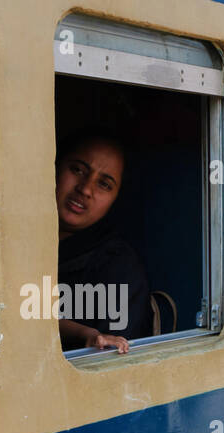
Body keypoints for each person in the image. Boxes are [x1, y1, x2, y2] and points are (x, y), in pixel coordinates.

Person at [55, 128, 150, 354]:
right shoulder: (12, 241)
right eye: (77, 169)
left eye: (104, 184)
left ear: (116, 199)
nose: (85, 189)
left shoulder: (118, 267)